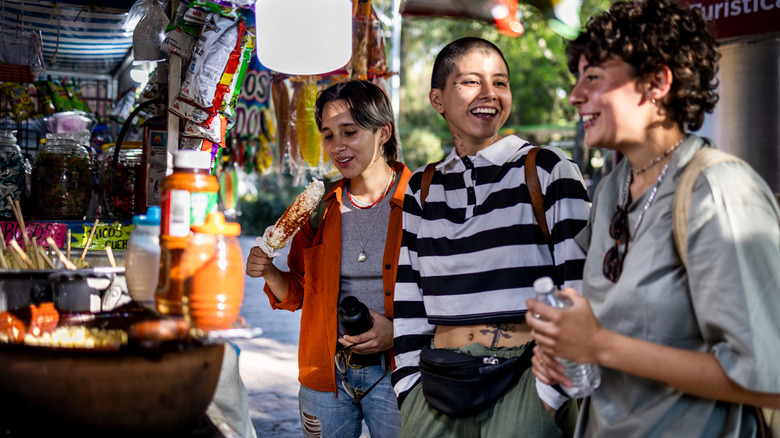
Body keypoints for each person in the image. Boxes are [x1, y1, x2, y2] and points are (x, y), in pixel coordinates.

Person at [525, 0, 780, 436]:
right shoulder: (612, 189)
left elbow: (769, 377)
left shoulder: (717, 191)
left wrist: (599, 345)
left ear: (657, 82)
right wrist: (569, 350)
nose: (575, 95)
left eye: (593, 77)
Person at [392, 37, 591, 437]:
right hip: (438, 378)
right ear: (437, 99)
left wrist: (552, 390)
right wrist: (408, 388)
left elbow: (581, 286)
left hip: (529, 375)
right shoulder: (422, 189)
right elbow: (409, 298)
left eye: (500, 83)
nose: (489, 94)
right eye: (470, 82)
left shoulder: (548, 170)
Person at [246, 79, 410, 438]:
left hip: (401, 373)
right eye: (328, 135)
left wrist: (398, 332)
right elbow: (300, 291)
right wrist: (269, 271)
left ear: (383, 132)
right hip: (327, 373)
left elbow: (451, 296)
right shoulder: (321, 208)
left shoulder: (420, 202)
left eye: (349, 132)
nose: (337, 147)